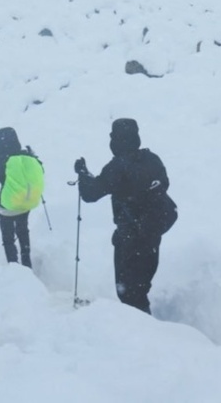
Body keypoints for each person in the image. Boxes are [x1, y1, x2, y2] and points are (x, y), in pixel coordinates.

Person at [74, 118, 177, 314]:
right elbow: (163, 184)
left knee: (128, 292)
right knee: (141, 287)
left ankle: (140, 334)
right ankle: (146, 327)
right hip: (153, 232)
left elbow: (91, 194)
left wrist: (82, 174)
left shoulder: (117, 167)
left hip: (130, 237)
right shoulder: (152, 159)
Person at [0, 127, 42, 268]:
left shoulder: (1, 160)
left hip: (7, 206)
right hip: (26, 203)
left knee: (8, 238)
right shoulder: (28, 156)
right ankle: (26, 262)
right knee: (23, 231)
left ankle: (14, 267)